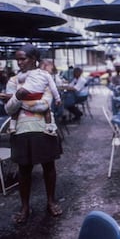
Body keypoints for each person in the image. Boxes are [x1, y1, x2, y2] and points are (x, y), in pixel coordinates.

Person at [0, 44, 63, 223]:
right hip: (20, 130)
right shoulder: (13, 81)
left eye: (23, 58)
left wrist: (18, 100)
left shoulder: (45, 77)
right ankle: (25, 207)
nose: (19, 62)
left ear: (34, 59)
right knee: (24, 170)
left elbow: (45, 104)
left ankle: (51, 201)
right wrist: (17, 98)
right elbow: (8, 109)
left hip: (44, 128)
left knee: (48, 167)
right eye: (17, 59)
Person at [9, 58, 61, 135]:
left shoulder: (31, 73)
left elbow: (21, 77)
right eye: (51, 68)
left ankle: (12, 126)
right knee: (47, 111)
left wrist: (20, 81)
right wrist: (57, 98)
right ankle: (48, 127)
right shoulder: (47, 75)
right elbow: (53, 88)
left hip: (26, 95)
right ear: (45, 66)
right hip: (37, 96)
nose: (51, 71)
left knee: (17, 108)